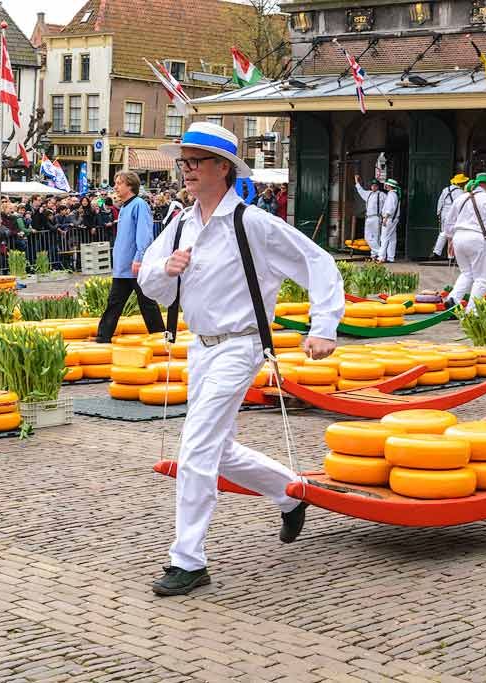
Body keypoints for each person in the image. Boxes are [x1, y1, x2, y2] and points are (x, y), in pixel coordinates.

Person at [138, 122, 344, 596]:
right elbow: (152, 283)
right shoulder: (181, 225)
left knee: (196, 446)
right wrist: (165, 270)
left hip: (242, 344)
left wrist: (323, 327)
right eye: (183, 160)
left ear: (222, 169)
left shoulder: (253, 223)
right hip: (200, 345)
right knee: (220, 449)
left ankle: (188, 560)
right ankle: (290, 493)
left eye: (195, 161)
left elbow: (319, 263)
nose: (186, 169)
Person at [94, 171, 166, 343]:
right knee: (115, 303)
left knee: (146, 304)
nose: (116, 187)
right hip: (123, 266)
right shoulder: (125, 206)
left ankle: (160, 338)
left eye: (119, 183)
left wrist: (139, 257)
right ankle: (103, 337)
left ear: (130, 185)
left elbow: (144, 234)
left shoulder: (139, 204)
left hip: (134, 265)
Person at [443, 172, 486, 312]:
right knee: (481, 279)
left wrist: (450, 239)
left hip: (459, 238)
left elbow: (448, 222)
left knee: (466, 273)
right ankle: (472, 311)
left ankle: (453, 299)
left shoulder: (461, 198)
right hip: (477, 238)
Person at [432, 173, 468, 258]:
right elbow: (460, 205)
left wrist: (439, 213)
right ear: (461, 183)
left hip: (444, 212)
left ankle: (437, 251)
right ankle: (450, 256)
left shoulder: (445, 189)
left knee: (444, 233)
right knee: (453, 235)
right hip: (453, 214)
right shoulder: (460, 192)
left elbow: (440, 202)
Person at [353, 175, 385, 260]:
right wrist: (357, 181)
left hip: (376, 218)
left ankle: (375, 255)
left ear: (378, 187)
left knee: (376, 237)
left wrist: (385, 217)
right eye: (372, 185)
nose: (373, 187)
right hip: (368, 218)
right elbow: (360, 191)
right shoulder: (369, 194)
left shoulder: (382, 195)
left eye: (375, 185)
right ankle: (379, 252)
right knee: (367, 237)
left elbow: (387, 206)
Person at [378, 178, 401, 263]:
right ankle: (391, 257)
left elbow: (390, 208)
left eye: (386, 184)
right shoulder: (394, 194)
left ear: (389, 186)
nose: (385, 185)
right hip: (393, 219)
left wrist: (385, 218)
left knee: (384, 237)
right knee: (392, 239)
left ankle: (381, 257)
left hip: (389, 219)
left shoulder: (391, 195)